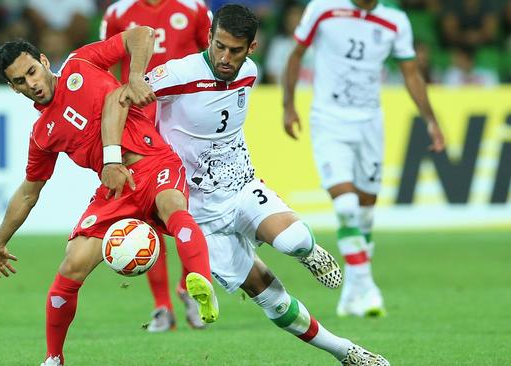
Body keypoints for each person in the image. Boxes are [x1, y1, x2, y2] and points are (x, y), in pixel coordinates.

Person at [104, 5, 389, 365]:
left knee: (294, 240)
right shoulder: (177, 73)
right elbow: (118, 99)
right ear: (208, 37)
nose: (225, 57)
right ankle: (346, 351)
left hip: (241, 187)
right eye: (219, 46)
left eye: (235, 50)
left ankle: (309, 253)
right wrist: (113, 157)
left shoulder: (249, 73)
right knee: (274, 301)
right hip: (199, 212)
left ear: (251, 48)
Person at [0, 26, 219, 366]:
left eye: (32, 72)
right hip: (115, 190)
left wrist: (136, 76)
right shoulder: (42, 135)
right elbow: (27, 193)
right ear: (12, 88)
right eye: (20, 82)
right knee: (73, 262)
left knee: (172, 206)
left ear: (44, 60)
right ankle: (54, 357)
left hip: (152, 162)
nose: (32, 84)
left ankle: (200, 282)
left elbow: (140, 34)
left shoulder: (82, 64)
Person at [282, 0, 446, 317]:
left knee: (366, 213)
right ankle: (366, 284)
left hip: (370, 123)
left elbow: (411, 74)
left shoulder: (395, 21)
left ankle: (351, 294)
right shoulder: (323, 8)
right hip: (329, 120)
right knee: (346, 206)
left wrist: (431, 120)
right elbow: (296, 54)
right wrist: (288, 105)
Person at [100, 0, 212, 332]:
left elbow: (213, 60)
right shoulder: (118, 12)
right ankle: (162, 306)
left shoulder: (192, 8)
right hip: (140, 127)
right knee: (144, 211)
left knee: (191, 209)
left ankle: (188, 286)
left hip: (185, 123)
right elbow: (103, 71)